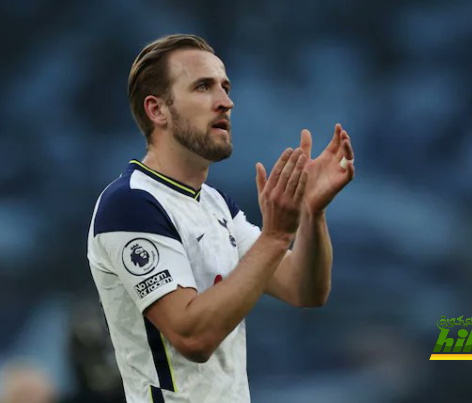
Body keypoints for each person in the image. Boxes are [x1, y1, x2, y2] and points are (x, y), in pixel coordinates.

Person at [86, 33, 355, 403]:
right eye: (203, 87)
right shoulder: (130, 204)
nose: (226, 102)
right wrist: (276, 235)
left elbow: (304, 289)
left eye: (225, 88)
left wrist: (311, 213)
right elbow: (192, 338)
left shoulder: (215, 205)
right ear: (157, 110)